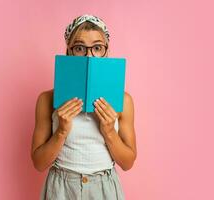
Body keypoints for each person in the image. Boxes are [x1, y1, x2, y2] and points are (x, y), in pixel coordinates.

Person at [31, 14, 137, 200]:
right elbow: (39, 163)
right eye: (80, 48)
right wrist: (61, 131)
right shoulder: (47, 99)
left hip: (104, 188)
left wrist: (109, 131)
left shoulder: (123, 100)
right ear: (68, 51)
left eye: (97, 47)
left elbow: (127, 163)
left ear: (106, 51)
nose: (89, 55)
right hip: (61, 188)